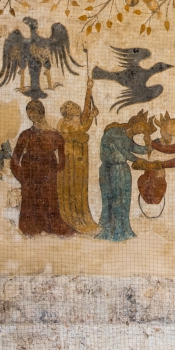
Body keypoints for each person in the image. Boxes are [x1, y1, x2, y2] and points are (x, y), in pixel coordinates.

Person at [10, 100, 75, 236]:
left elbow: (62, 161)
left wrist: (51, 172)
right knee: (30, 202)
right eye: (29, 114)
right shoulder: (25, 135)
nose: (32, 117)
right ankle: (32, 230)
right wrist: (22, 177)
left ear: (41, 112)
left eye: (34, 113)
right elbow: (15, 159)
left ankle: (47, 227)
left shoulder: (55, 135)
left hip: (47, 177)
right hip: (29, 176)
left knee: (48, 201)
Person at [96, 111, 155, 242]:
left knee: (124, 200)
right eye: (140, 126)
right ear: (133, 121)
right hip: (109, 170)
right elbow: (123, 150)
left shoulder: (128, 138)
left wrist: (150, 145)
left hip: (122, 170)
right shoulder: (116, 132)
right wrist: (137, 160)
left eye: (143, 129)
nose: (140, 129)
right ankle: (109, 231)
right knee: (111, 200)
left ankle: (123, 229)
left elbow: (137, 149)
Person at [56, 77, 100, 234]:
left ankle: (83, 216)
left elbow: (85, 112)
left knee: (80, 189)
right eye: (74, 114)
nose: (78, 118)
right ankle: (73, 218)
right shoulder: (64, 124)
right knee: (72, 189)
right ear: (68, 114)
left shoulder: (74, 121)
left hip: (79, 161)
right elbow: (82, 129)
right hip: (70, 162)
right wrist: (92, 117)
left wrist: (89, 89)